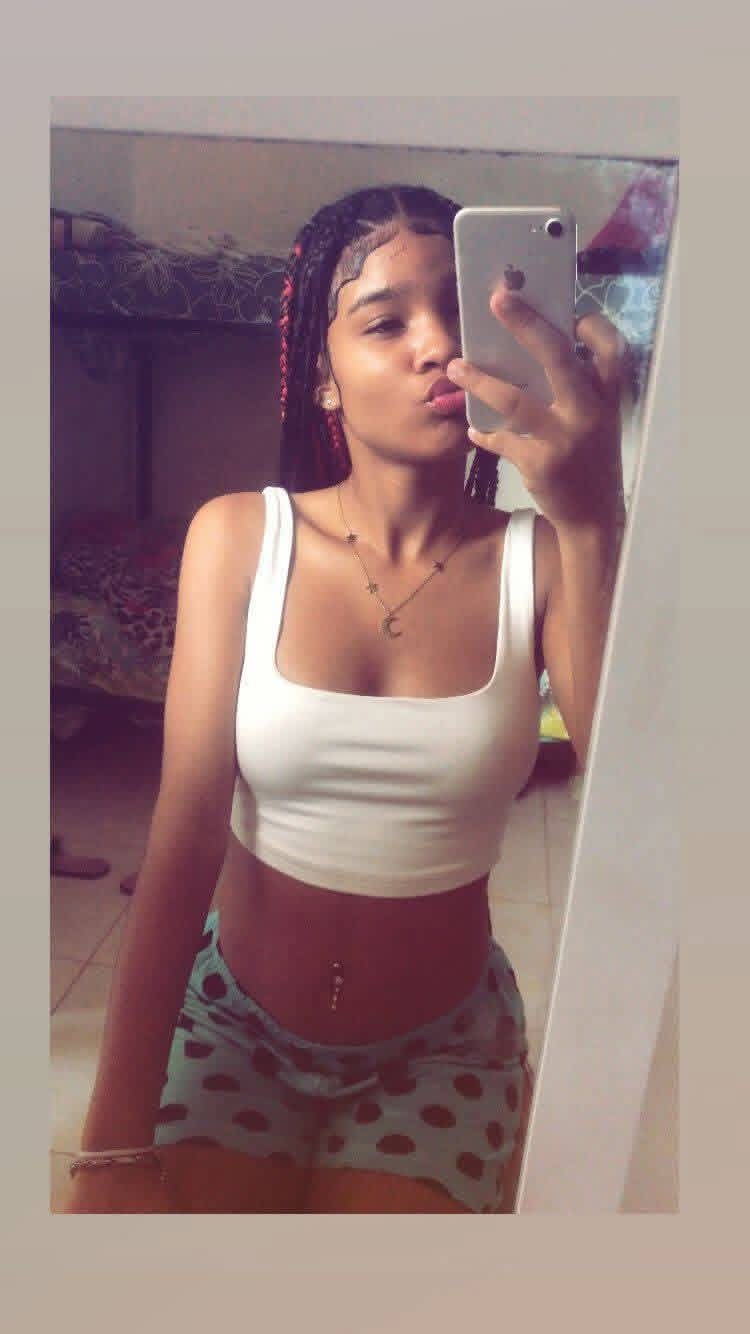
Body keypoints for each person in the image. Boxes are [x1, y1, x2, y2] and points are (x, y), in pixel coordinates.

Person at [65, 184, 626, 1214]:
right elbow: (185, 836)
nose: (437, 347)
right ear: (322, 377)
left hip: (443, 1049)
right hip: (233, 1022)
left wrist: (595, 517)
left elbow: (632, 813)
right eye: (386, 321)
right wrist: (109, 1146)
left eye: (459, 314)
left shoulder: (543, 559)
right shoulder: (241, 537)